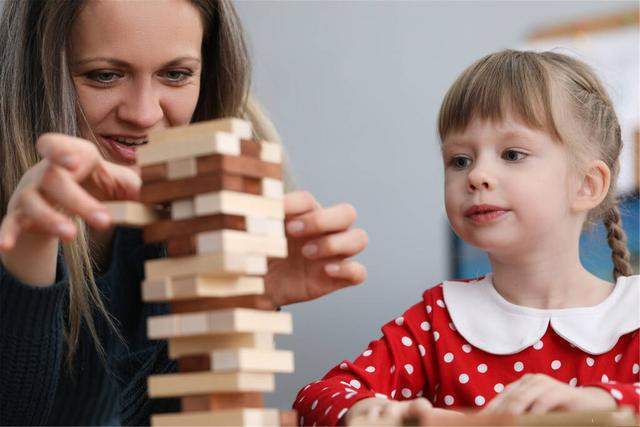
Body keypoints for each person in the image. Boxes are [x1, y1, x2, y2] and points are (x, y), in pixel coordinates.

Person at [0, 1, 368, 425]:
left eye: (175, 75)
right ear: (38, 75)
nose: (143, 114)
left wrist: (240, 303)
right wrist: (28, 253)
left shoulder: (216, 189)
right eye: (104, 75)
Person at [293, 49, 639, 426]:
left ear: (586, 185)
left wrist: (602, 400)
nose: (476, 175)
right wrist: (369, 412)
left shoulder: (633, 316)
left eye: (512, 154)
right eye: (460, 160)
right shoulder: (438, 319)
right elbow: (317, 399)